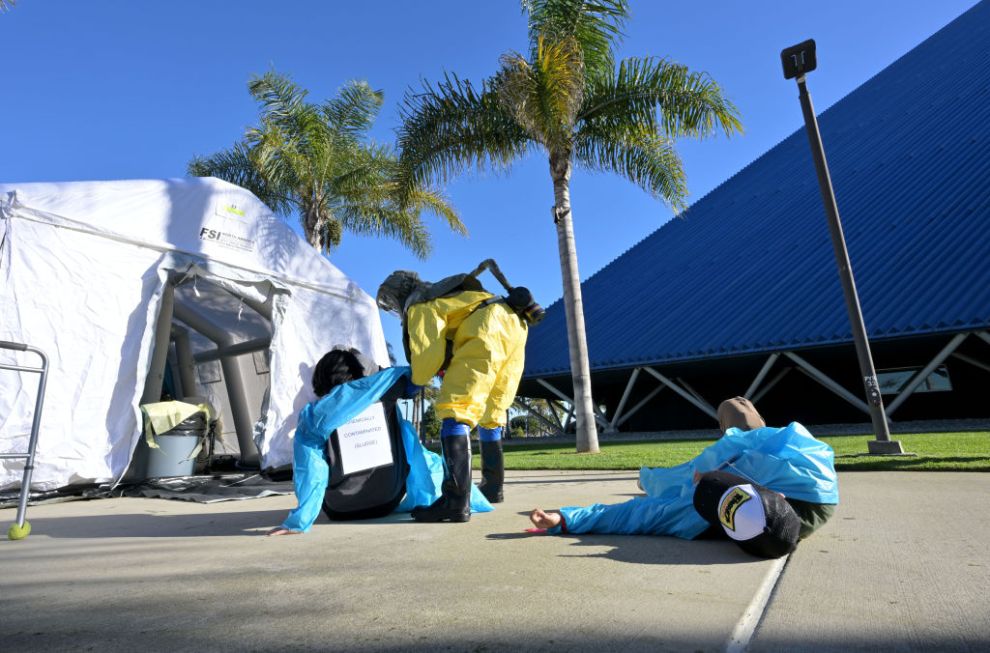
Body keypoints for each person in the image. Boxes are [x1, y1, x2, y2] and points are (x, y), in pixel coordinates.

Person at [528, 397, 839, 553]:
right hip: (810, 498)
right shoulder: (792, 448)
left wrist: (567, 519)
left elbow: (645, 510)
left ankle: (639, 482)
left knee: (666, 496)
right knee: (693, 480)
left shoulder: (721, 463)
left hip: (772, 500)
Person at [268, 348, 493, 536]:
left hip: (339, 508)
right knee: (403, 430)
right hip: (388, 500)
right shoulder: (386, 391)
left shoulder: (315, 415)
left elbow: (311, 470)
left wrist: (298, 522)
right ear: (358, 372)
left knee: (311, 451)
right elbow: (417, 374)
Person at [376, 264, 537, 522]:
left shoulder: (421, 303)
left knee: (456, 409)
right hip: (514, 325)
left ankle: (455, 501)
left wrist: (413, 384)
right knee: (491, 412)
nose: (395, 310)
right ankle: (493, 487)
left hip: (485, 329)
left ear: (398, 293)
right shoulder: (449, 294)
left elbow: (429, 354)